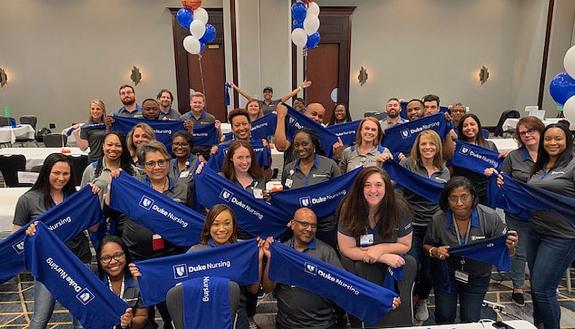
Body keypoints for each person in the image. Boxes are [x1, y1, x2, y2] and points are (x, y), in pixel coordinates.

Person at [109, 141, 191, 329]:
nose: (157, 167)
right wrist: (114, 184)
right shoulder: (132, 189)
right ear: (142, 166)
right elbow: (110, 212)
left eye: (161, 162)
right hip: (136, 259)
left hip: (168, 260)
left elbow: (191, 222)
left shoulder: (183, 189)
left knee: (173, 313)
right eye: (151, 163)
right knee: (141, 316)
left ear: (169, 162)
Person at [13, 153, 92, 329]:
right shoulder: (28, 199)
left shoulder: (76, 198)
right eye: (56, 173)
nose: (61, 178)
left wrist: (94, 198)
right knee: (40, 318)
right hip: (48, 265)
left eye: (66, 174)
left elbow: (92, 227)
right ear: (46, 172)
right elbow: (16, 239)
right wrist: (29, 235)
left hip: (79, 261)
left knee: (82, 320)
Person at [423, 177, 517, 324]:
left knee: (470, 319)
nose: (459, 203)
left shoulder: (490, 217)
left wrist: (510, 246)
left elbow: (507, 253)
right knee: (444, 315)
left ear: (473, 196)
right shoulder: (438, 219)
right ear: (447, 200)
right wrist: (434, 251)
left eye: (464, 197)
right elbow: (427, 244)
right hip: (446, 275)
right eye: (453, 198)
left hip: (477, 276)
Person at [337, 166, 412, 327]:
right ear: (359, 188)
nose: (373, 190)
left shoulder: (399, 207)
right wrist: (378, 255)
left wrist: (381, 249)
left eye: (378, 185)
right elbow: (346, 248)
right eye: (367, 185)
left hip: (390, 264)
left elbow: (405, 244)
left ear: (386, 187)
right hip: (358, 263)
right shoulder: (348, 207)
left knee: (410, 262)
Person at [488, 116, 544, 306]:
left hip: (546, 215)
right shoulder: (514, 156)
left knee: (541, 251)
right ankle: (518, 286)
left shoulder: (552, 155)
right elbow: (503, 180)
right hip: (518, 212)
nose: (527, 135)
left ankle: (539, 286)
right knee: (519, 251)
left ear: (540, 131)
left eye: (531, 130)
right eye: (523, 133)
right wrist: (502, 183)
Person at [524, 122, 575, 328]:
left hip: (562, 236)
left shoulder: (572, 164)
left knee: (544, 290)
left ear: (567, 141)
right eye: (548, 139)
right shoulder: (540, 166)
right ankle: (539, 325)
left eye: (558, 138)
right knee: (536, 288)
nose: (552, 143)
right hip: (535, 232)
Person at [261, 207, 346, 329]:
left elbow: (341, 288)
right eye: (304, 224)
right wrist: (270, 258)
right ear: (293, 224)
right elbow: (267, 288)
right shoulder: (281, 252)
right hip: (286, 325)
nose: (309, 229)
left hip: (322, 326)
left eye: (313, 226)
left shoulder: (327, 252)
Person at [398, 130, 450, 323]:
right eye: (423, 144)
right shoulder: (407, 165)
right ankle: (405, 304)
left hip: (434, 229)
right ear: (417, 147)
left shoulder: (444, 170)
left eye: (432, 144)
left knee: (429, 274)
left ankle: (421, 299)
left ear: (437, 147)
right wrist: (382, 165)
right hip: (411, 227)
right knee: (411, 268)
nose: (428, 147)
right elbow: (392, 183)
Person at [281, 128, 341, 248]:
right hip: (299, 229)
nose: (300, 148)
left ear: (314, 144)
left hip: (325, 227)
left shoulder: (329, 165)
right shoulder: (288, 169)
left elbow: (339, 193)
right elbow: (285, 197)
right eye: (296, 145)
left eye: (305, 144)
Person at [81, 132, 136, 236]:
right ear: (103, 146)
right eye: (109, 145)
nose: (113, 148)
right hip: (99, 226)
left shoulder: (132, 171)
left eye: (118, 145)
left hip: (127, 225)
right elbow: (83, 201)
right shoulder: (91, 170)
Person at [274, 103, 344, 166]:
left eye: (320, 117)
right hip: (293, 175)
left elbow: (330, 166)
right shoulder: (293, 126)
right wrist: (281, 117)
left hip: (318, 177)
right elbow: (281, 147)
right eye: (313, 114)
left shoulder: (325, 135)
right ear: (304, 113)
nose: (317, 118)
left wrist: (336, 157)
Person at [451, 113, 498, 204]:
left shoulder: (490, 145)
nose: (469, 128)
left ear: (479, 126)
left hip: (486, 191)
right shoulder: (456, 147)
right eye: (465, 125)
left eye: (472, 124)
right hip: (464, 191)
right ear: (461, 129)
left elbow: (497, 166)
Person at [178, 92, 221, 158]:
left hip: (207, 153)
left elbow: (216, 138)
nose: (197, 104)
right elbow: (180, 138)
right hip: (189, 153)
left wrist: (218, 129)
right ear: (190, 103)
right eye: (195, 102)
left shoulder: (211, 119)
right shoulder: (183, 118)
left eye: (199, 102)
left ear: (203, 104)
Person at [231, 81, 312, 115]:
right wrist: (234, 87)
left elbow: (289, 95)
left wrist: (300, 87)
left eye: (269, 92)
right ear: (263, 94)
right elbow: (246, 96)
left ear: (272, 94)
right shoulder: (258, 103)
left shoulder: (276, 102)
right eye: (265, 92)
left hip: (273, 127)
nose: (267, 93)